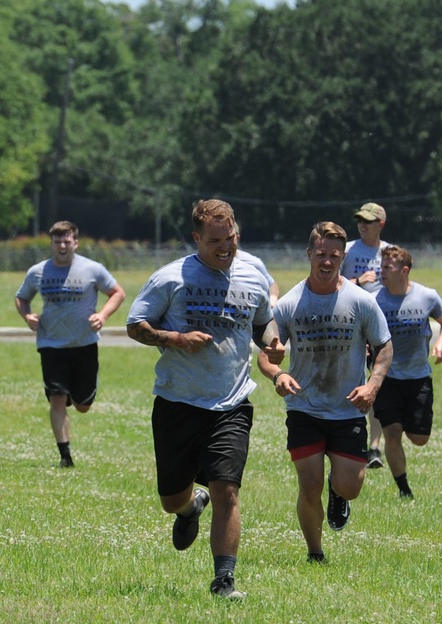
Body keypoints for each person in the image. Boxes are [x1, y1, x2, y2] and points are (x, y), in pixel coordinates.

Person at [126, 199, 285, 600]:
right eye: (215, 240)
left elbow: (262, 321)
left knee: (226, 490)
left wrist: (273, 342)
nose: (225, 246)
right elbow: (135, 325)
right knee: (170, 498)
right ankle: (186, 508)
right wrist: (176, 339)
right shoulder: (171, 278)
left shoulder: (253, 274)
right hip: (178, 401)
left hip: (231, 403)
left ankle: (224, 580)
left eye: (229, 237)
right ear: (197, 238)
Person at [257, 221, 392, 563]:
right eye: (321, 254)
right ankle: (315, 552)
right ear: (309, 254)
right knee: (309, 483)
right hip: (304, 407)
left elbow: (384, 346)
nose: (327, 262)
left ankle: (339, 494)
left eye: (334, 255)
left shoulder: (360, 301)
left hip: (347, 407)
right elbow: (266, 354)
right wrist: (277, 375)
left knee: (350, 486)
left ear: (343, 257)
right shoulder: (288, 304)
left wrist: (372, 385)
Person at [15, 221, 126, 468]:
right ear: (51, 244)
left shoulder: (93, 269)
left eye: (67, 241)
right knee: (56, 398)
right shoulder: (38, 272)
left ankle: (71, 395)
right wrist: (28, 316)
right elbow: (21, 297)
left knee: (83, 405)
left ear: (75, 242)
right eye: (57, 242)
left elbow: (117, 292)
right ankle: (65, 456)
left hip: (84, 343)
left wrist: (103, 315)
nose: (62, 246)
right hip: (51, 344)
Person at [371, 245, 442, 499]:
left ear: (404, 270)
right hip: (386, 377)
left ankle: (411, 425)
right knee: (392, 432)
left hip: (418, 377)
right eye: (381, 266)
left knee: (419, 438)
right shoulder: (375, 300)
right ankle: (404, 489)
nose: (381, 271)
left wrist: (441, 343)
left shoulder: (427, 296)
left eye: (388, 267)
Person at [340, 201, 391, 468]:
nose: (362, 224)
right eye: (360, 220)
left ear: (380, 224)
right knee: (350, 383)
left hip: (381, 328)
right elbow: (328, 282)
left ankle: (374, 448)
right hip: (350, 326)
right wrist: (358, 281)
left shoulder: (389, 252)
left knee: (376, 388)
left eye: (368, 221)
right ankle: (347, 436)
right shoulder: (347, 250)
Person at [234, 223, 280, 305]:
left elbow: (271, 285)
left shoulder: (254, 263)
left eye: (229, 238)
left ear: (237, 237)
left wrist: (272, 302)